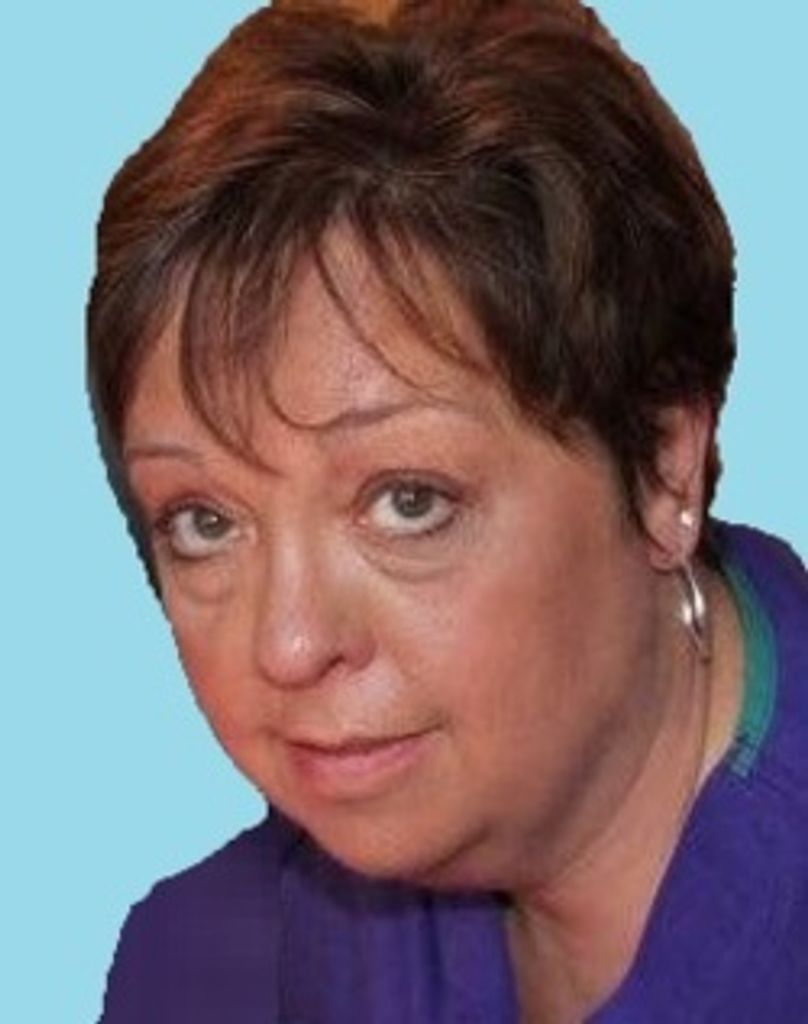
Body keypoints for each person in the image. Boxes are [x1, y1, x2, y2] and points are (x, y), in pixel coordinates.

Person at [87, 1, 808, 1020]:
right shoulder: (201, 963)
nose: (287, 645)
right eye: (205, 520)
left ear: (661, 468)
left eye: (407, 501)